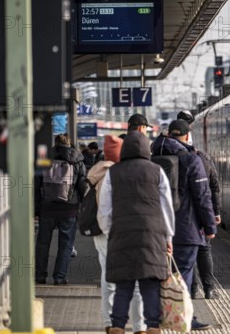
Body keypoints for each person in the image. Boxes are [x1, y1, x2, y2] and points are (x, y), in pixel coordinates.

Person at [97, 131, 175, 333]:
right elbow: (166, 207)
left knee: (124, 284)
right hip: (153, 235)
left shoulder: (113, 173)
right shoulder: (157, 171)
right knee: (150, 284)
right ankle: (152, 327)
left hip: (122, 234)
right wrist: (168, 236)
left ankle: (117, 326)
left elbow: (104, 209)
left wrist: (109, 231)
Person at [151, 119, 216, 330]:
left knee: (160, 274)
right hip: (185, 228)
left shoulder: (152, 157)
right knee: (183, 275)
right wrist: (209, 227)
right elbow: (203, 197)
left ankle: (158, 316)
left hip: (155, 227)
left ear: (168, 134)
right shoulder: (191, 159)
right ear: (187, 136)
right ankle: (185, 319)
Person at [88, 134, 146, 334]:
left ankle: (110, 323)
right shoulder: (116, 174)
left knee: (108, 279)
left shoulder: (98, 171)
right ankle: (138, 326)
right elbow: (108, 209)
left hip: (104, 234)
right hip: (119, 233)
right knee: (136, 279)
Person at [174, 111, 222, 300]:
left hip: (177, 217)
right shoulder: (200, 158)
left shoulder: (163, 156)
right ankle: (209, 289)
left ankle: (192, 289)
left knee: (187, 256)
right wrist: (215, 214)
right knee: (203, 250)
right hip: (199, 216)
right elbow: (213, 187)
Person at [35, 133, 88, 285]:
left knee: (43, 243)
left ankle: (40, 276)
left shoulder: (44, 157)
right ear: (69, 143)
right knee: (66, 244)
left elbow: (36, 185)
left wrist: (37, 208)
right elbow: (82, 185)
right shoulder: (77, 158)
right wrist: (82, 206)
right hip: (69, 208)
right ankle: (60, 277)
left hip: (47, 207)